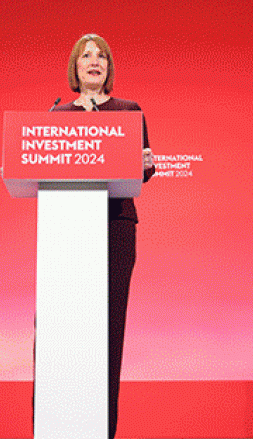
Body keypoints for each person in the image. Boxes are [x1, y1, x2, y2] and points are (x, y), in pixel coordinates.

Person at [50, 33, 153, 439]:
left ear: (108, 68)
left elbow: (144, 166)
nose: (95, 62)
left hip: (115, 227)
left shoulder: (129, 111)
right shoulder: (56, 117)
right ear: (75, 67)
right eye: (86, 56)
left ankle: (103, 430)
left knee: (108, 330)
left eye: (102, 57)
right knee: (69, 331)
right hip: (68, 229)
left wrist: (145, 163)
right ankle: (63, 426)